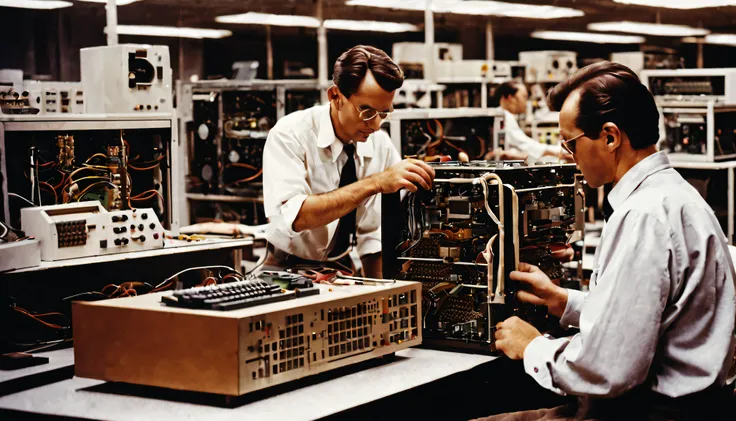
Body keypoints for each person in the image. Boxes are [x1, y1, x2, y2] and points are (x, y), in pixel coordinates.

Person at [479, 62, 736, 420]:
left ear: (611, 137)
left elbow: (609, 369)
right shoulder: (676, 195)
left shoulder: (642, 217)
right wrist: (565, 301)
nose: (568, 156)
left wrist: (532, 346)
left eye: (570, 143)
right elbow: (646, 313)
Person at [262, 45, 435, 278]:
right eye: (366, 112)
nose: (375, 125)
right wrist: (375, 183)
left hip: (340, 268)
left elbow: (372, 235)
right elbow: (298, 217)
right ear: (335, 96)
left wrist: (381, 296)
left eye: (383, 113)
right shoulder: (290, 134)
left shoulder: (380, 145)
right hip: (285, 268)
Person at [493, 80, 569, 163]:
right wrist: (558, 151)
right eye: (524, 97)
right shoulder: (504, 116)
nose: (526, 102)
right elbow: (527, 146)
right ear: (510, 97)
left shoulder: (504, 115)